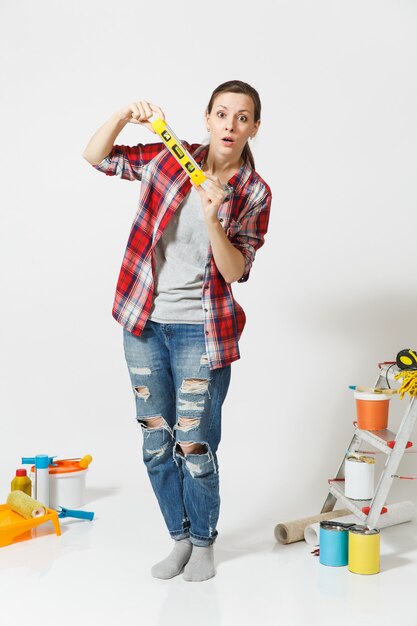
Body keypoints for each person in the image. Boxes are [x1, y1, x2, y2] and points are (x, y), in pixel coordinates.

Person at [83, 80, 272, 582]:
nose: (230, 125)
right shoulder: (168, 158)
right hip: (144, 323)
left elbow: (235, 271)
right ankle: (179, 538)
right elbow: (96, 157)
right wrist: (125, 112)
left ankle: (204, 543)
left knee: (195, 446)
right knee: (155, 442)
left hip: (202, 334)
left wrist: (213, 217)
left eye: (243, 117)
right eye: (222, 114)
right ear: (207, 119)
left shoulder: (253, 192)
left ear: (254, 127)